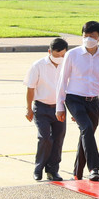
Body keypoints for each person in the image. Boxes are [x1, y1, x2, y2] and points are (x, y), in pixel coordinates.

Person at [56, 21, 99, 182]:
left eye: (92, 36)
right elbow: (63, 80)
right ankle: (94, 168)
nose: (88, 39)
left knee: (87, 134)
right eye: (85, 36)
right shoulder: (72, 54)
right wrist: (59, 106)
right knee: (87, 128)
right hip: (74, 99)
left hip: (93, 101)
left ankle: (78, 172)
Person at [24, 38, 69, 181]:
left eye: (63, 55)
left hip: (60, 107)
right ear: (49, 52)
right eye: (57, 55)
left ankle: (53, 171)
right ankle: (38, 168)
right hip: (42, 108)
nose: (60, 58)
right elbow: (30, 88)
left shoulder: (67, 65)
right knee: (44, 138)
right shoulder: (38, 65)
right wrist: (29, 109)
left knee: (58, 139)